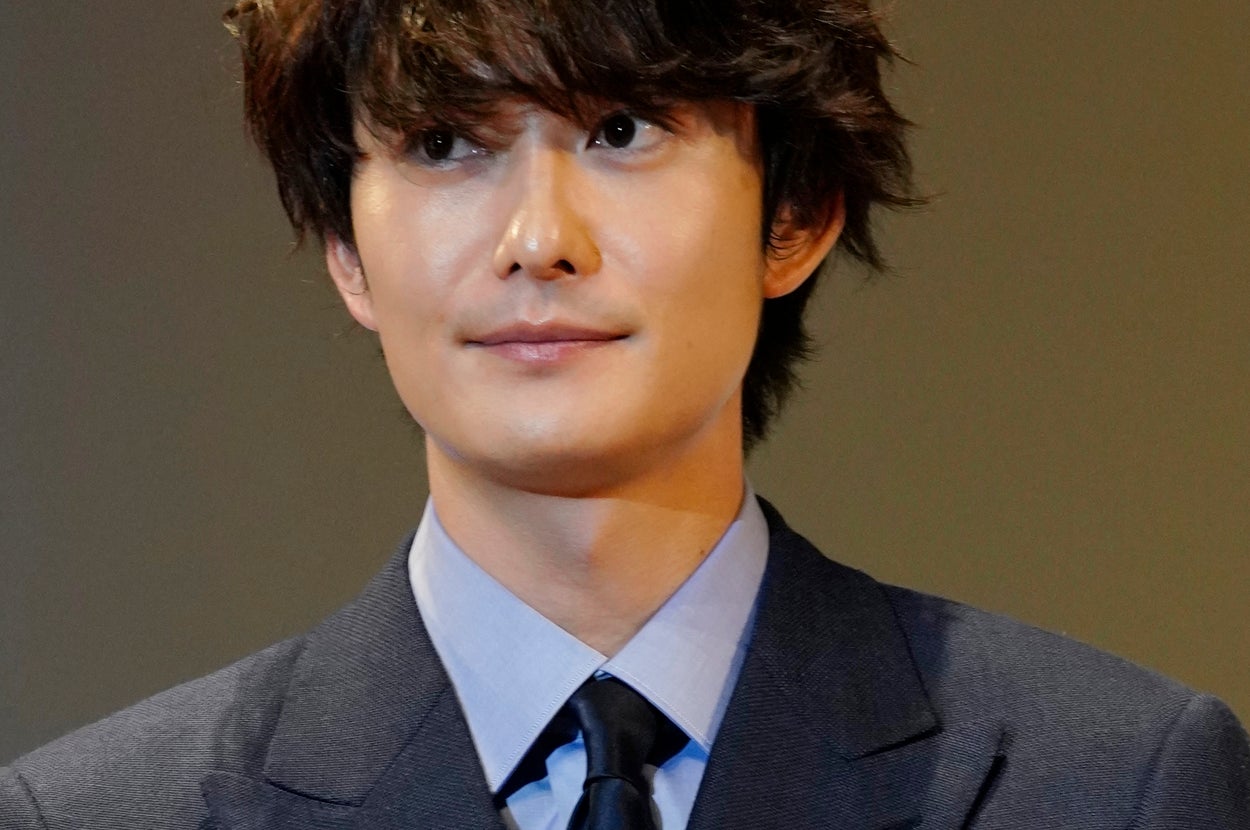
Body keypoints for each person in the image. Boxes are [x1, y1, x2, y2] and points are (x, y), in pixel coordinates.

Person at [2, 0, 1247, 827]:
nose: (538, 239)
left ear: (793, 214)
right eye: (442, 144)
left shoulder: (1117, 784)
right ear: (344, 249)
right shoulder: (94, 815)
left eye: (620, 128)